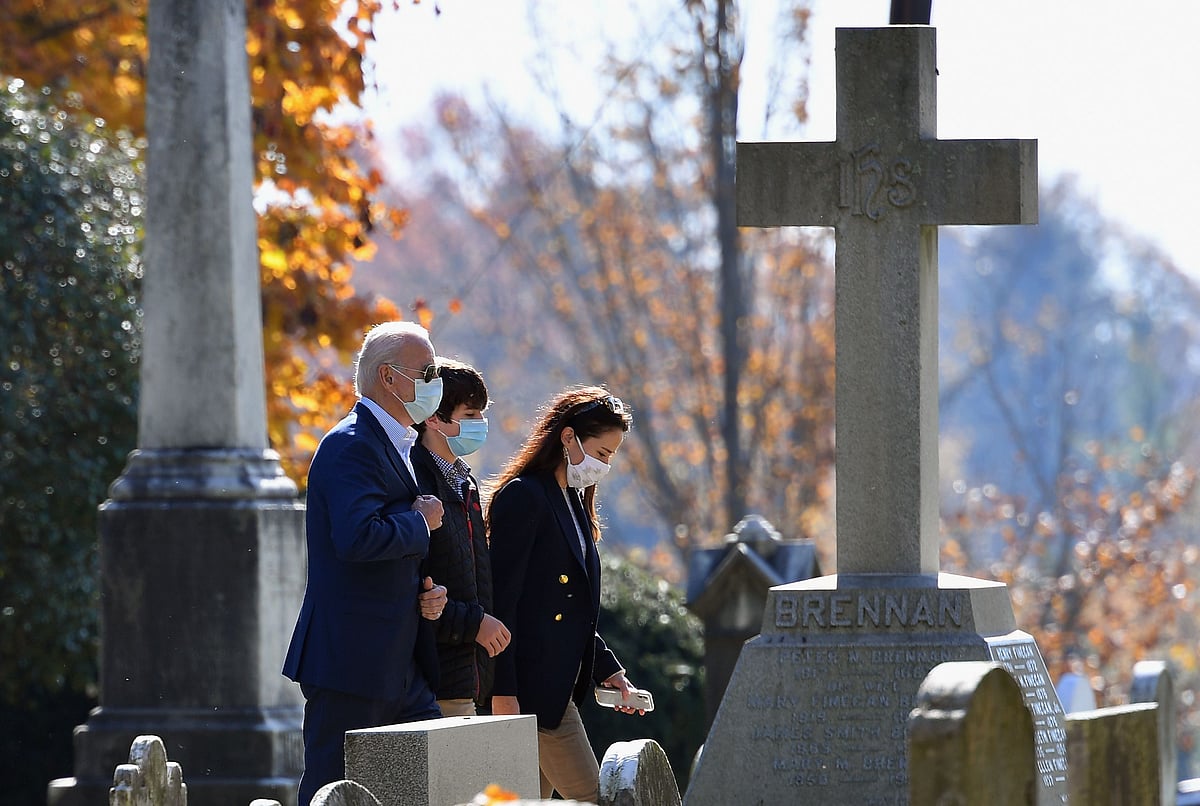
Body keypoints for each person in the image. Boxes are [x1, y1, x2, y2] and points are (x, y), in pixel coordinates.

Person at [282, 321, 451, 806]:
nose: (434, 382)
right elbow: (357, 538)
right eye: (427, 372)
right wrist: (421, 524)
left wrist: (426, 592)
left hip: (400, 660)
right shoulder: (351, 443)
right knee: (333, 792)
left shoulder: (398, 443)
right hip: (351, 661)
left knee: (424, 786)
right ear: (389, 377)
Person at [487, 385, 644, 802]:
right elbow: (503, 602)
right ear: (568, 437)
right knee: (595, 797)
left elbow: (567, 609)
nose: (605, 465)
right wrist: (503, 692)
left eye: (611, 456)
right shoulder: (524, 496)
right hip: (532, 694)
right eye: (603, 452)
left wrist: (607, 670)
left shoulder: (572, 501)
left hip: (556, 689)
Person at [411, 358, 511, 716]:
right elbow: (417, 589)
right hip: (436, 679)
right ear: (433, 418)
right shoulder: (415, 482)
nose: (480, 425)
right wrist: (473, 624)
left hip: (470, 677)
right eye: (469, 415)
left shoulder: (464, 482)